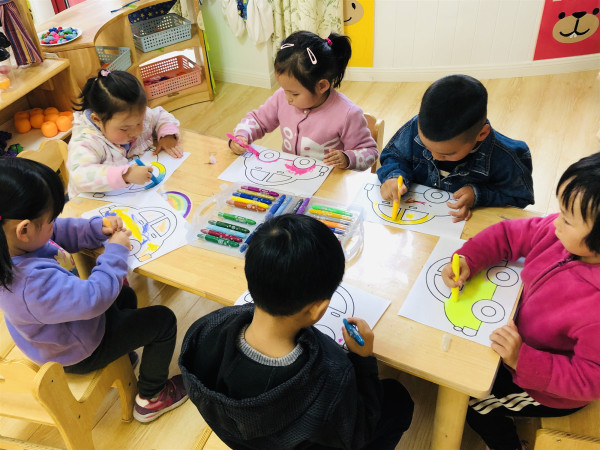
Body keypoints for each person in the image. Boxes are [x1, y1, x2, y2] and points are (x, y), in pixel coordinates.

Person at [179, 214, 413, 449]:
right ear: (317, 309)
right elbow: (358, 432)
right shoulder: (331, 379)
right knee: (398, 399)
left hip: (248, 439)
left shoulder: (203, 331)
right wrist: (362, 360)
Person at [0, 158, 187, 423]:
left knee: (125, 295)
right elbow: (94, 298)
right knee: (163, 321)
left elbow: (57, 234)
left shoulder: (15, 243)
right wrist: (116, 251)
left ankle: (123, 356)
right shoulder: (31, 285)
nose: (55, 224)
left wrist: (95, 228)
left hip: (67, 329)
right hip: (76, 351)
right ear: (25, 229)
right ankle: (152, 396)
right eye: (51, 219)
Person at [440, 153, 600, 450]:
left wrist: (521, 360)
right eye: (561, 210)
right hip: (514, 339)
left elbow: (589, 379)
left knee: (474, 404)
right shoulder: (558, 234)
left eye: (567, 219)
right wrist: (468, 259)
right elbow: (508, 234)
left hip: (547, 389)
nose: (556, 222)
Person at [377, 74, 534, 222]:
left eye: (446, 154)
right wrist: (393, 176)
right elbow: (394, 155)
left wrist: (478, 195)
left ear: (482, 134)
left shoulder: (506, 158)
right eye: (426, 146)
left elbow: (519, 198)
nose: (434, 156)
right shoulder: (416, 127)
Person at [229, 31, 378, 171]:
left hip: (328, 182)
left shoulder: (347, 114)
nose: (287, 98)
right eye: (284, 89)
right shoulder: (281, 97)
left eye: (294, 93)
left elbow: (370, 152)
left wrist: (347, 158)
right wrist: (242, 135)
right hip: (290, 174)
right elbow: (258, 120)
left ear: (321, 86)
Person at [67, 69, 183, 198]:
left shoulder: (133, 116)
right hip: (89, 204)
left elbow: (160, 115)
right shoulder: (86, 140)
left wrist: (167, 134)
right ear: (97, 120)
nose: (135, 132)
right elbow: (79, 176)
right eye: (124, 129)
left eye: (139, 123)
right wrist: (125, 175)